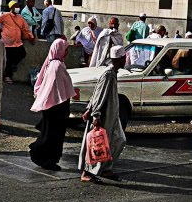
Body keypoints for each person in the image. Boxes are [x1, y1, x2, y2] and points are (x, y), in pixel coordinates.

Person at [79, 45, 127, 182]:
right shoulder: (108, 74)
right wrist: (96, 114)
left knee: (118, 140)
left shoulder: (113, 73)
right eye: (123, 58)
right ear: (120, 59)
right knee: (95, 144)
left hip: (112, 115)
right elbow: (99, 94)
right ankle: (86, 171)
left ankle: (106, 169)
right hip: (104, 115)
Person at [30, 38, 76, 170]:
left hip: (53, 106)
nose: (66, 52)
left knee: (49, 133)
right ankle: (45, 158)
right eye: (65, 49)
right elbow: (56, 89)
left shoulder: (53, 63)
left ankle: (47, 158)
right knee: (52, 135)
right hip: (56, 107)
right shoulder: (57, 66)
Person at [0, 0, 35, 80]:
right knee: (8, 59)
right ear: (11, 7)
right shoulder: (5, 16)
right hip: (7, 42)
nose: (17, 8)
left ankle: (12, 66)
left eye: (18, 6)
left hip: (17, 42)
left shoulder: (20, 17)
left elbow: (26, 28)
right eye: (16, 6)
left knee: (22, 53)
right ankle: (7, 76)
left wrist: (31, 37)